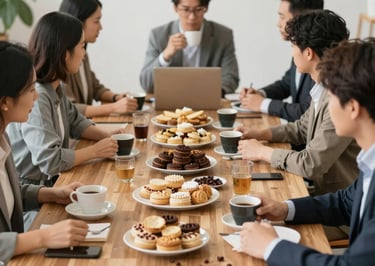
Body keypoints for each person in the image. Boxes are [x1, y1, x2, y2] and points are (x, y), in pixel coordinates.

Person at [239, 38, 375, 266]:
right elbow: (345, 202)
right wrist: (285, 208)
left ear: (352, 107)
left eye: (330, 97)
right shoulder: (369, 158)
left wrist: (272, 247)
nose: (326, 105)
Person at [237, 10, 359, 196]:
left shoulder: (340, 98)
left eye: (293, 46)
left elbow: (310, 164)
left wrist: (262, 152)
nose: (292, 53)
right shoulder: (324, 88)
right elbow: (302, 128)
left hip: (337, 209)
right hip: (322, 195)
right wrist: (258, 133)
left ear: (308, 53)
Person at [6, 12, 122, 187]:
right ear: (65, 54)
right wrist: (96, 151)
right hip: (35, 194)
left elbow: (75, 121)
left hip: (53, 183)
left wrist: (108, 139)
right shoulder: (39, 97)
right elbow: (50, 161)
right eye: (82, 46)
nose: (84, 54)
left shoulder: (55, 87)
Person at [0, 41, 89, 265]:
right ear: (5, 103)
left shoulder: (3, 137)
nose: (37, 96)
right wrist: (43, 237)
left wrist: (51, 194)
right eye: (31, 89)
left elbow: (7, 194)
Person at [239, 0, 323, 122]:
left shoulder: (317, 55)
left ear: (300, 19)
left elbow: (308, 111)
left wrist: (262, 104)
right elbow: (287, 83)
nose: (278, 24)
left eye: (282, 17)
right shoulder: (299, 47)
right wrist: (260, 94)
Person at [139, 0, 239, 96]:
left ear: (206, 8)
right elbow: (146, 84)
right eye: (186, 9)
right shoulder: (158, 35)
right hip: (171, 103)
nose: (192, 17)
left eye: (198, 9)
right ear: (175, 8)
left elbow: (231, 77)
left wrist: (211, 94)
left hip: (207, 102)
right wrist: (165, 56)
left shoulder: (223, 35)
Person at [59, 0, 138, 118]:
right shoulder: (60, 60)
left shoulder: (82, 53)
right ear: (78, 22)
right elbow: (69, 108)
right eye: (96, 21)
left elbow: (94, 87)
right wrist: (114, 107)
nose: (101, 27)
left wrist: (116, 97)